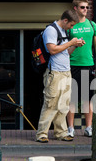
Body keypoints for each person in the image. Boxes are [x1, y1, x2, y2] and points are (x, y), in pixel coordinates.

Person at [35, 10, 85, 143]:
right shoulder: (51, 30)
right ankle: (42, 133)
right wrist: (70, 42)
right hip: (55, 73)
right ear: (65, 21)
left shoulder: (64, 31)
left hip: (66, 72)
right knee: (51, 103)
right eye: (71, 25)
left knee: (64, 104)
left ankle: (60, 132)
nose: (72, 28)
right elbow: (52, 50)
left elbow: (65, 52)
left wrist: (74, 45)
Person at [66, 0, 96, 138]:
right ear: (75, 8)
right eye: (82, 7)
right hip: (72, 64)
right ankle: (70, 128)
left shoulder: (92, 25)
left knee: (87, 98)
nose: (85, 10)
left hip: (88, 64)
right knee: (72, 98)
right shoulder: (71, 26)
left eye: (87, 7)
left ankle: (88, 127)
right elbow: (65, 45)